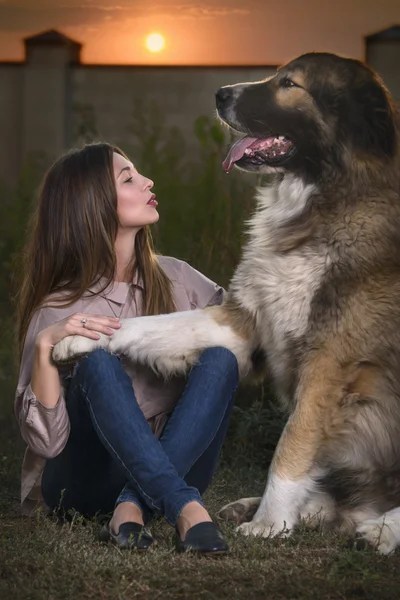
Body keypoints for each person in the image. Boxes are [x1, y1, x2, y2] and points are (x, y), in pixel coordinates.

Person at [14, 142, 239, 555]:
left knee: (223, 356)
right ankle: (185, 506)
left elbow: (248, 331)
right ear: (91, 203)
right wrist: (48, 344)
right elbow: (46, 446)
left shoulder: (179, 278)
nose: (148, 181)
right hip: (82, 482)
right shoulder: (58, 308)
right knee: (97, 363)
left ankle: (131, 507)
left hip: (173, 460)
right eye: (129, 178)